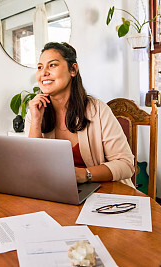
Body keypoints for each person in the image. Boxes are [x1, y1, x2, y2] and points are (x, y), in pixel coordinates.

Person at [25, 42, 135, 187]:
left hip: (103, 192)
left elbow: (126, 165)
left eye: (52, 65)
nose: (44, 72)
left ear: (73, 69)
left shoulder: (98, 109)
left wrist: (84, 174)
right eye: (40, 67)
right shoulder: (35, 111)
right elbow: (33, 168)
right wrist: (36, 121)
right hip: (56, 192)